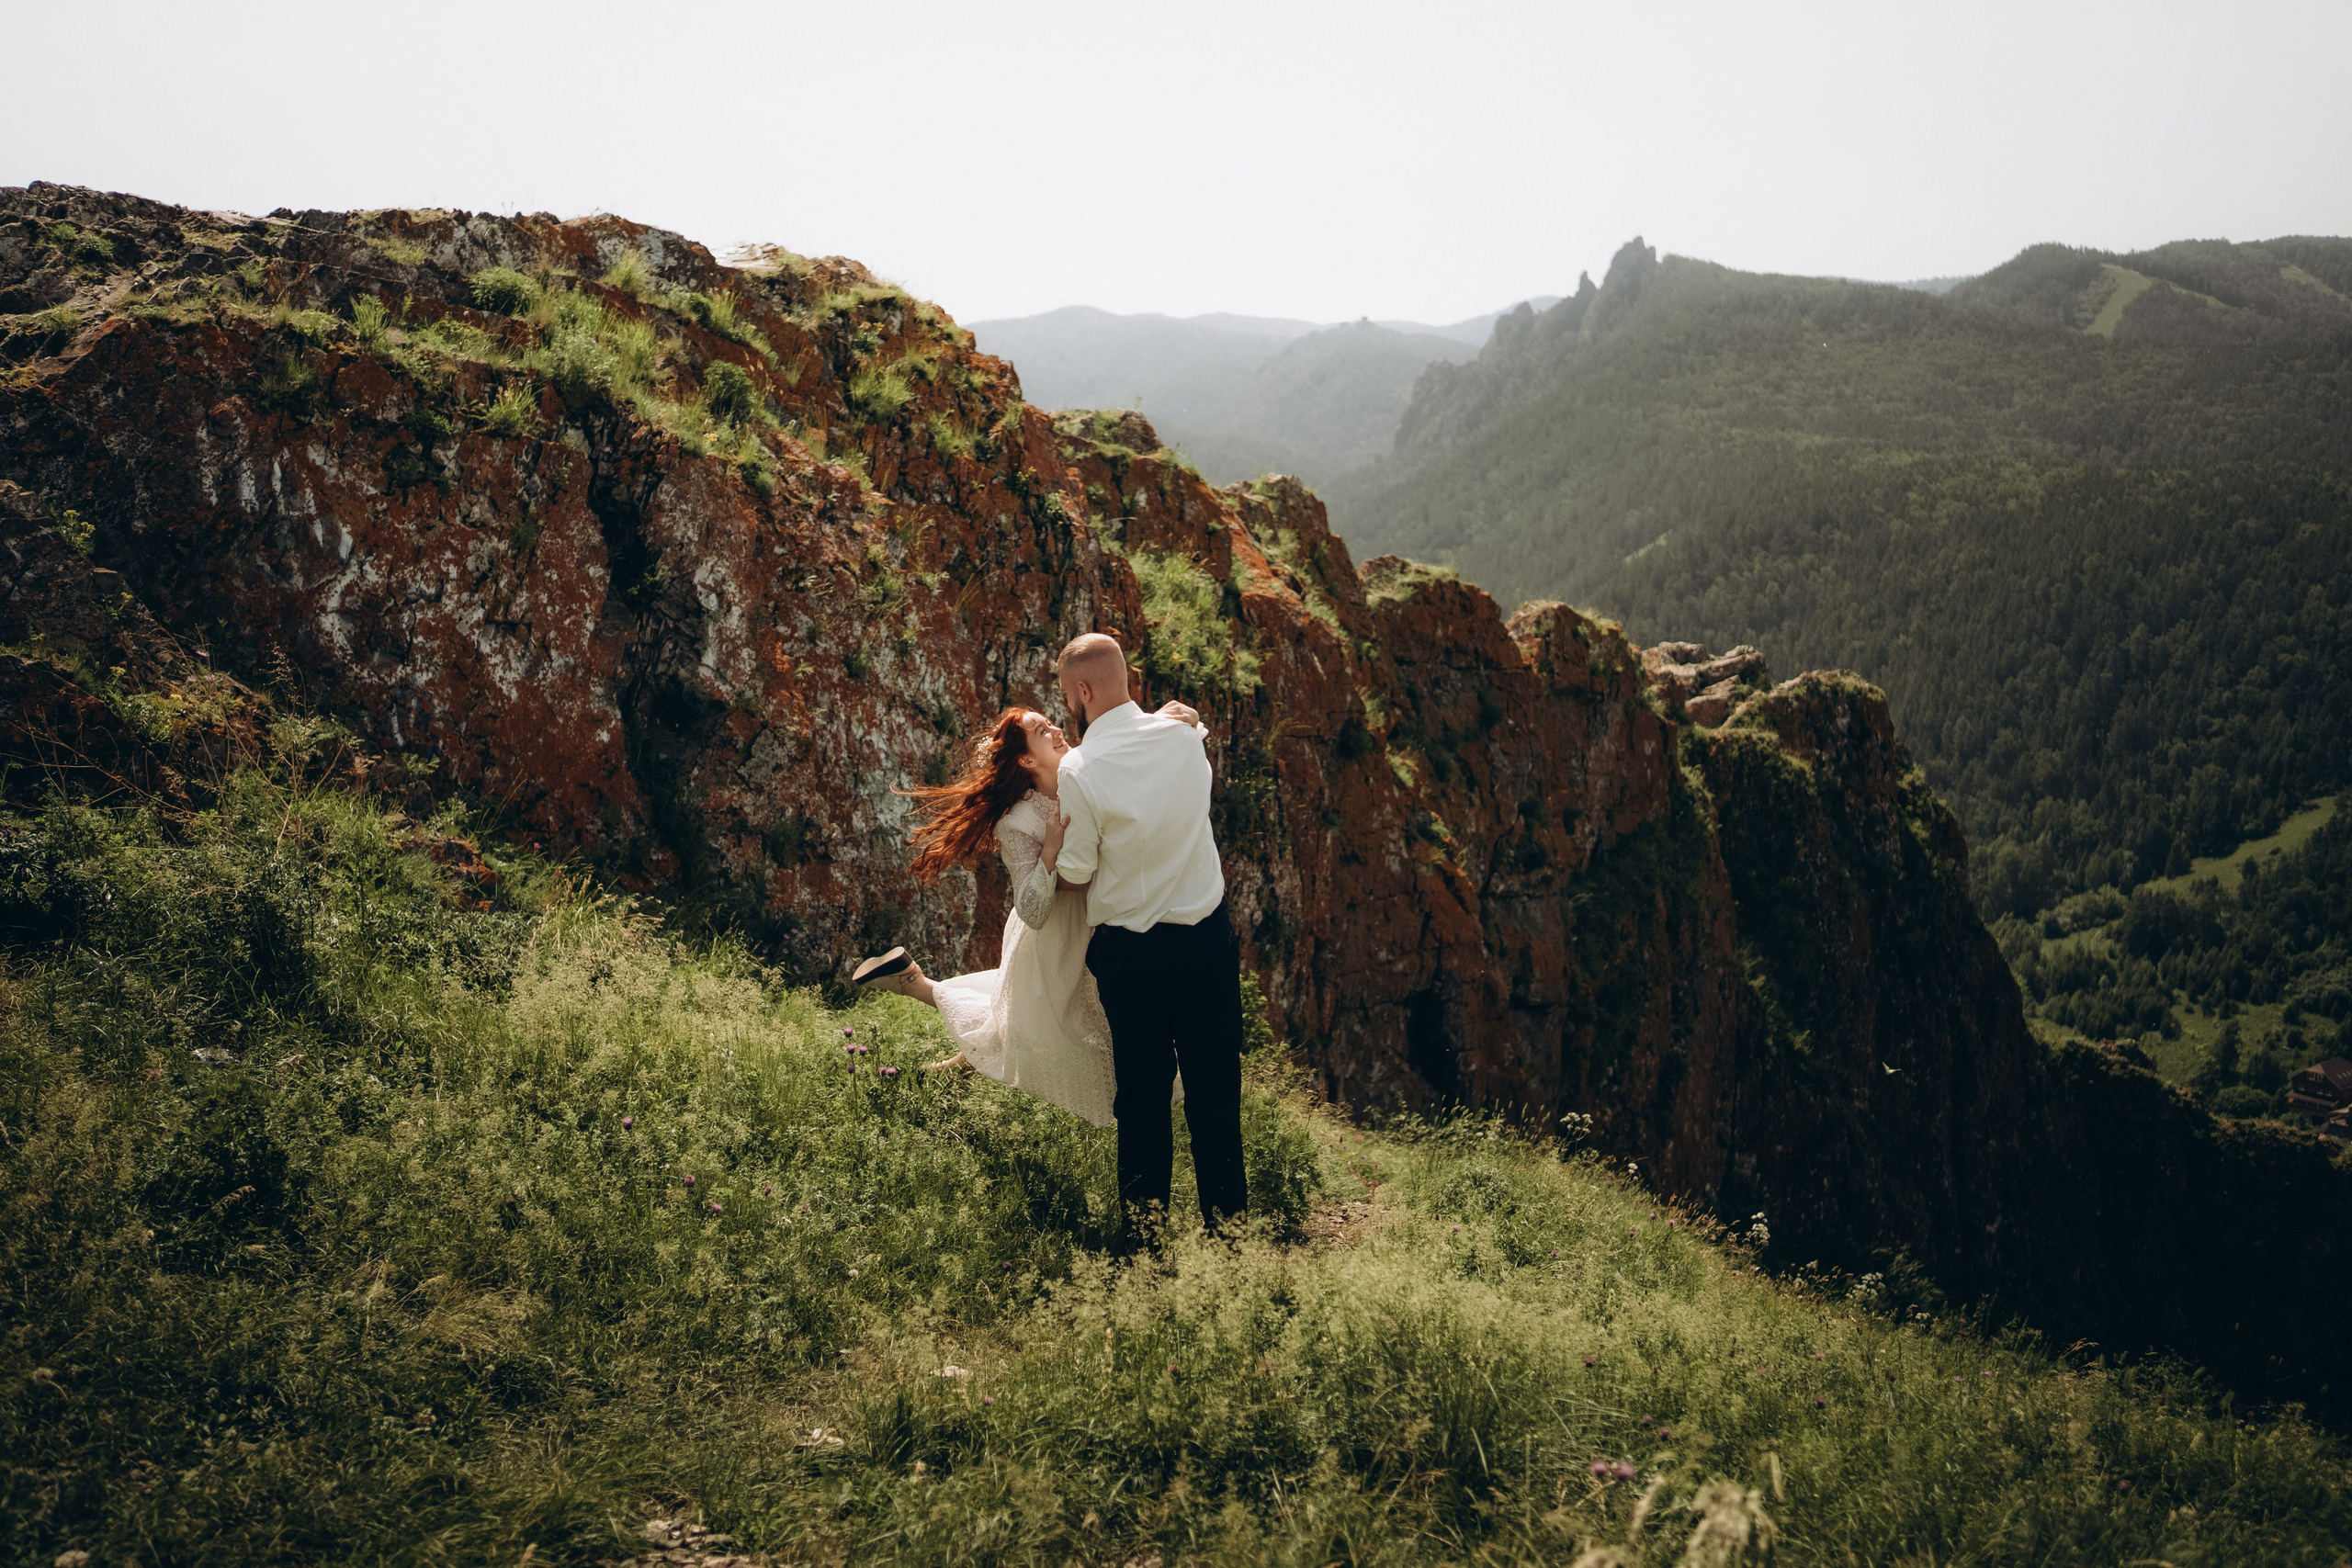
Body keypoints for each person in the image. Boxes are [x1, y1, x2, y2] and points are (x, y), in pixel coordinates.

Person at [851, 700, 1196, 1126]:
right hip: (1053, 940)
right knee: (1037, 1035)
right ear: (1027, 758)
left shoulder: (1085, 774)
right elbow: (1030, 909)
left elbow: (1135, 762)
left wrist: (1173, 722)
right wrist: (1050, 851)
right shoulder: (1017, 821)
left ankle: (919, 1011)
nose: (1055, 730)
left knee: (1015, 1028)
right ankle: (913, 988)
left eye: (1051, 722)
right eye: (1041, 730)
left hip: (1098, 928)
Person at [1050, 632, 1250, 1236]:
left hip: (1133, 955)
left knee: (1142, 1099)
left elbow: (1077, 874)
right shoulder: (1184, 738)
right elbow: (1192, 737)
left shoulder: (1079, 769)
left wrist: (1055, 854)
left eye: (1067, 696)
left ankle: (1145, 1247)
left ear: (1083, 691)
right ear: (1127, 678)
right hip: (1207, 943)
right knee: (1216, 1092)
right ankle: (1234, 1241)